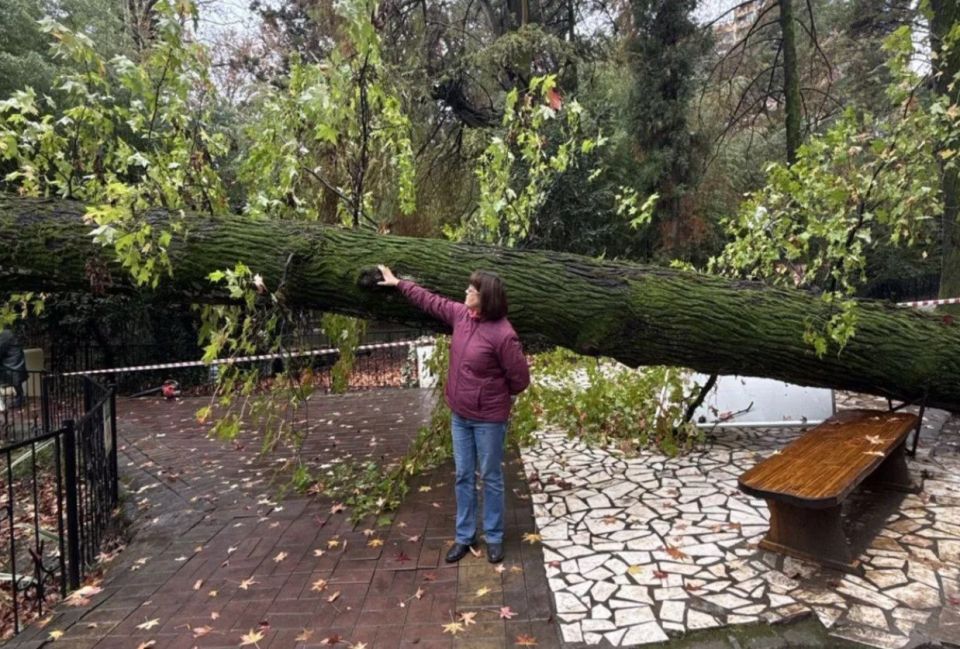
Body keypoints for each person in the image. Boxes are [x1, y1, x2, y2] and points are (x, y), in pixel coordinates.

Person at [377, 265, 530, 564]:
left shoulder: (503, 335)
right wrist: (398, 283)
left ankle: (495, 537)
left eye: (472, 290)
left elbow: (520, 380)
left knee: (490, 475)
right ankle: (465, 536)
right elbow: (429, 301)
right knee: (462, 474)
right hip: (460, 415)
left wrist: (491, 396)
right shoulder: (461, 315)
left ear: (485, 298)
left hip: (489, 420)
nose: (466, 292)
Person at [0, 329, 28, 409]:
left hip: (11, 365)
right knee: (17, 384)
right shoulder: (7, 332)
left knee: (16, 382)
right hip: (15, 363)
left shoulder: (4, 334)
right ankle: (20, 398)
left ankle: (1, 404)